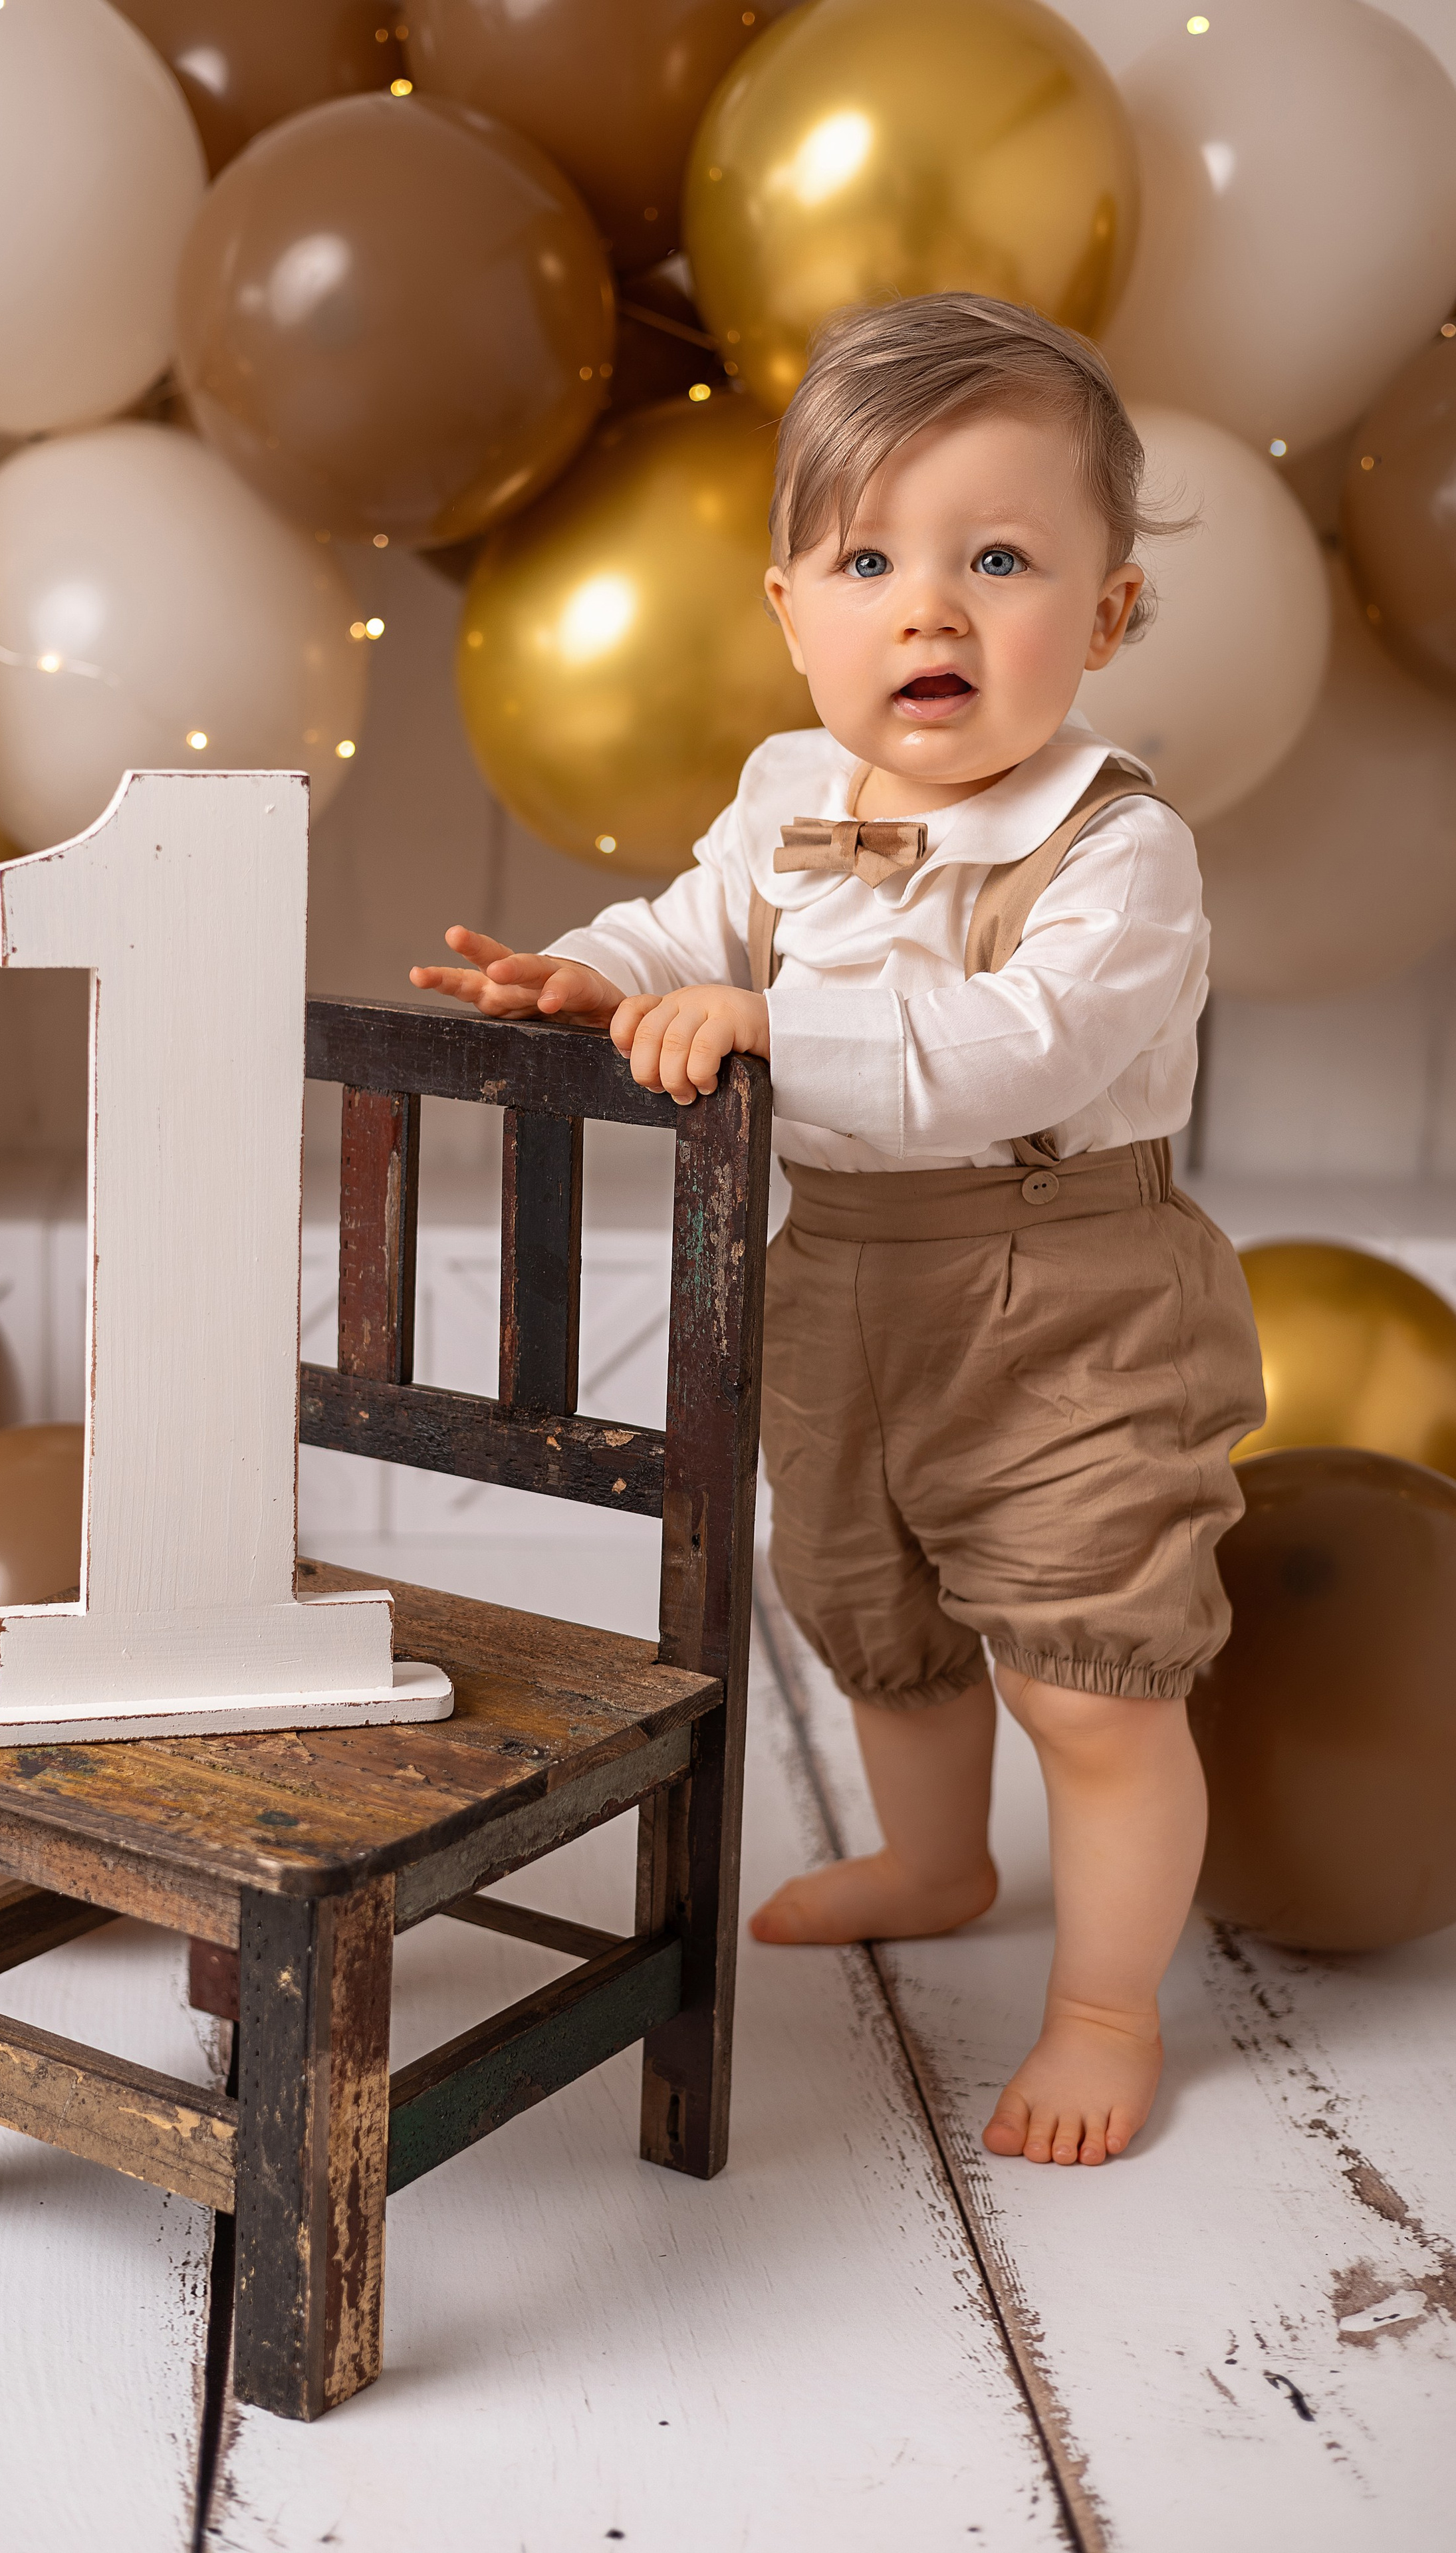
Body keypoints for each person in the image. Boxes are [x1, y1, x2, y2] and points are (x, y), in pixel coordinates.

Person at [410, 293, 1264, 2169]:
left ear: (1108, 614)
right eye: (870, 556)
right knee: (869, 1603)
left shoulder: (1116, 847)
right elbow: (695, 930)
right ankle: (939, 1859)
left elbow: (1010, 1048)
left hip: (1067, 1289)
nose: (931, 607)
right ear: (794, 610)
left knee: (1080, 1657)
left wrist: (775, 1029)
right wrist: (593, 974)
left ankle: (1111, 2003)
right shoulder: (792, 797)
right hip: (842, 1279)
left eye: (1003, 557)